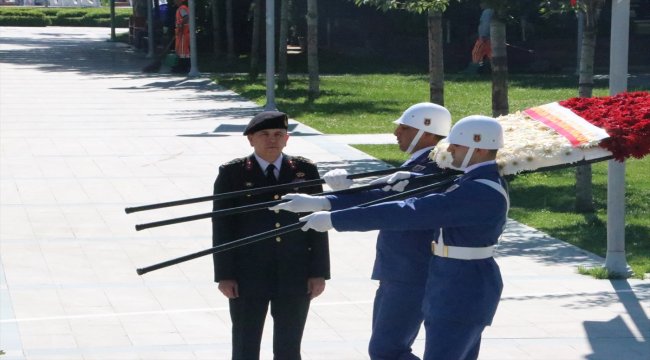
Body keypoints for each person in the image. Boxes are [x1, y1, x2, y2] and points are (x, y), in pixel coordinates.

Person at [278, 115, 508, 360]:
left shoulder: (480, 190)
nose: (449, 148)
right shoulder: (471, 181)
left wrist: (337, 219)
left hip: (463, 286)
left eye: (457, 145)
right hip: (452, 281)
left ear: (480, 148)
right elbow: (411, 200)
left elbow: (412, 211)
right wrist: (327, 203)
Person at [212, 111, 330, 360]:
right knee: (245, 344)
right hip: (248, 273)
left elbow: (318, 224)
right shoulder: (232, 173)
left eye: (278, 134)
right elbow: (222, 227)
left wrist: (318, 272)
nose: (272, 140)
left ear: (287, 138)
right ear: (250, 140)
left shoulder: (305, 170)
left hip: (294, 271)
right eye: (264, 135)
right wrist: (225, 275)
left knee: (289, 346)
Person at [464, 2, 493, 74]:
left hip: (484, 38)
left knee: (477, 54)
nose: (480, 5)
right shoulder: (490, 11)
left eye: (482, 3)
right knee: (487, 55)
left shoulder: (487, 12)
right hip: (486, 37)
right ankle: (486, 70)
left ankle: (473, 70)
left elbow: (485, 24)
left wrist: (483, 35)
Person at [171, 0, 190, 73]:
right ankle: (183, 66)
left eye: (176, 1)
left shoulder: (182, 8)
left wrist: (181, 25)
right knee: (182, 50)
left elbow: (186, 17)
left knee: (183, 51)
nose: (174, 2)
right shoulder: (181, 8)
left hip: (183, 33)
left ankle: (184, 67)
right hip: (181, 33)